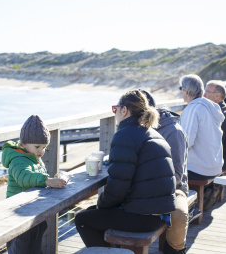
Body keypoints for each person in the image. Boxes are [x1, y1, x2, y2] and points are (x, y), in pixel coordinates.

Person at [75, 90, 176, 248]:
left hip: (143, 216)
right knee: (92, 212)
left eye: (115, 109)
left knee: (82, 219)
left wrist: (101, 205)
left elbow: (117, 187)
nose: (115, 113)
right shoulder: (152, 134)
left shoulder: (125, 135)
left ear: (124, 110)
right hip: (160, 214)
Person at [2, 114, 68, 254]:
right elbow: (24, 177)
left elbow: (37, 177)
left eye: (44, 147)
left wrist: (51, 179)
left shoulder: (33, 157)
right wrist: (46, 180)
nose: (41, 151)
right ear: (24, 143)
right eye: (37, 146)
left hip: (32, 211)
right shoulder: (18, 159)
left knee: (35, 246)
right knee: (20, 248)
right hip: (17, 214)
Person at [141, 89, 189, 254]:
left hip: (173, 187)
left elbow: (177, 174)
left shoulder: (173, 132)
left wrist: (148, 186)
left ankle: (176, 249)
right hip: (143, 185)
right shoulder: (133, 129)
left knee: (178, 215)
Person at [179, 74, 224, 181]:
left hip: (198, 169)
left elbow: (186, 142)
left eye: (181, 88)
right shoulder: (210, 106)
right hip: (214, 166)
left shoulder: (193, 109)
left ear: (186, 91)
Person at [204, 80, 226, 172]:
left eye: (207, 92)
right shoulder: (220, 109)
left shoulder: (222, 115)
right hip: (222, 158)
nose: (204, 95)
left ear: (217, 95)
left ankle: (212, 186)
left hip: (223, 162)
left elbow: (214, 145)